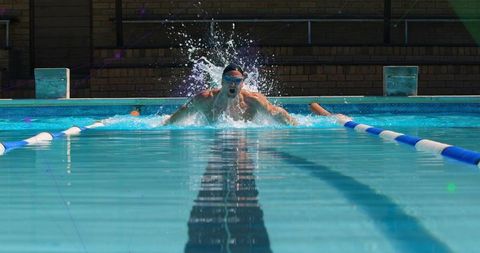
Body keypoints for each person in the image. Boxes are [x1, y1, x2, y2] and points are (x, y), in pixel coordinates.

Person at [164, 63, 297, 125]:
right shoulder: (205, 99)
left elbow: (275, 112)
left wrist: (295, 125)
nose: (233, 84)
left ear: (242, 83)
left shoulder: (253, 100)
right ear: (222, 82)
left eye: (237, 81)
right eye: (229, 80)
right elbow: (180, 115)